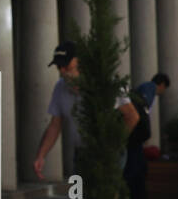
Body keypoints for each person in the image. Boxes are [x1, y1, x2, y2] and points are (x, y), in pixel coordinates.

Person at [32, 41, 138, 181]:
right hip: (81, 153)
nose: (63, 70)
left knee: (103, 197)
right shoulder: (60, 88)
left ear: (79, 62)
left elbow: (132, 116)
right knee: (77, 197)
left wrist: (113, 144)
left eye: (66, 65)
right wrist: (41, 155)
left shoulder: (107, 83)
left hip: (107, 152)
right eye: (59, 66)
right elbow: (55, 124)